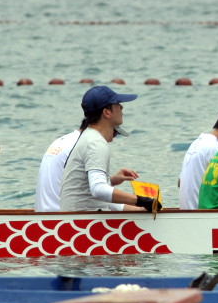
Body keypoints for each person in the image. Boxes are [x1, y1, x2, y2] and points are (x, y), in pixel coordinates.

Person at [58, 85, 155, 213]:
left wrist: (140, 209)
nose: (122, 107)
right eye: (117, 104)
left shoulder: (89, 136)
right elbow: (98, 189)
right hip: (81, 221)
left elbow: (99, 199)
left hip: (81, 215)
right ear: (107, 112)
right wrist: (140, 200)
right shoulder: (96, 143)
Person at [177, 102, 218, 210]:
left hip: (189, 211)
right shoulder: (216, 148)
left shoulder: (198, 142)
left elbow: (180, 183)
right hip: (202, 214)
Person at [34, 127, 81, 212]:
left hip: (43, 214)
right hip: (60, 216)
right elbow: (97, 190)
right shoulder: (87, 145)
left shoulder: (63, 140)